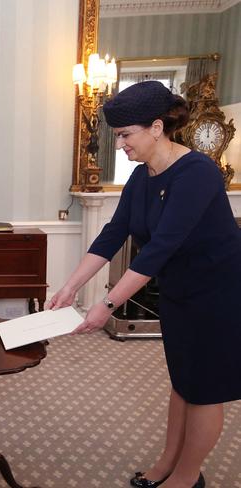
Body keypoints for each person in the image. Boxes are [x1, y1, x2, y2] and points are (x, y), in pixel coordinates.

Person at [48, 81, 241, 488]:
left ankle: (188, 477)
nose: (120, 144)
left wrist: (107, 305)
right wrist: (70, 287)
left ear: (157, 127)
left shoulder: (199, 173)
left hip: (217, 297)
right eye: (117, 135)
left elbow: (159, 250)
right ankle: (168, 462)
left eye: (124, 135)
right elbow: (111, 235)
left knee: (205, 390)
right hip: (178, 294)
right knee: (182, 384)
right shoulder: (142, 177)